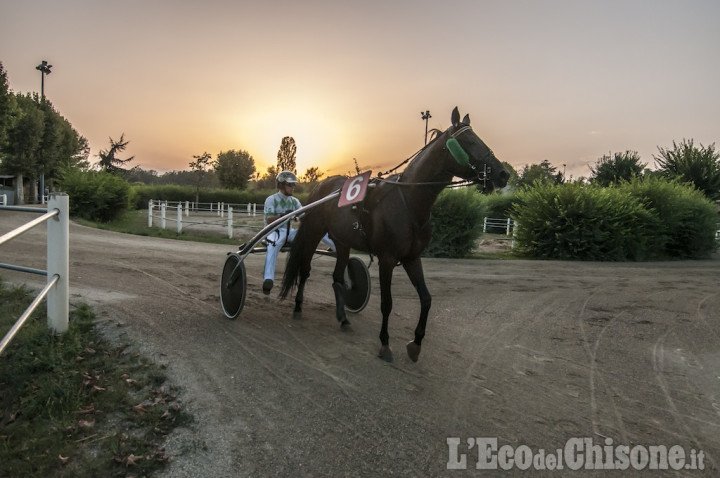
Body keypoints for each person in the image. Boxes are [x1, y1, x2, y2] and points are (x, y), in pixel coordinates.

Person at [262, 170, 335, 295]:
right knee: (273, 245)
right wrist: (282, 216)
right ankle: (268, 279)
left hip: (289, 232)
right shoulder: (271, 199)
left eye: (293, 184)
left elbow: (304, 216)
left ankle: (335, 246)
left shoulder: (295, 201)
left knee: (314, 230)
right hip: (273, 231)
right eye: (290, 185)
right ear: (281, 185)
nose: (293, 187)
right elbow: (269, 220)